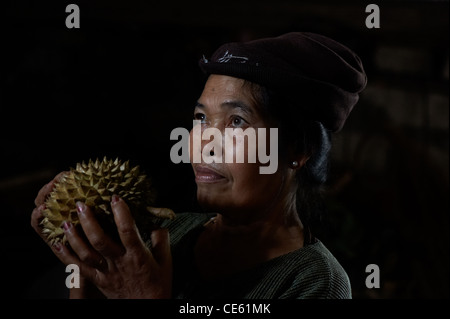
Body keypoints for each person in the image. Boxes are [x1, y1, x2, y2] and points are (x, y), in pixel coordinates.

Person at [31, 32, 367, 299]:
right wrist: (87, 265)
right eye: (201, 118)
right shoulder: (164, 234)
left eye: (236, 121)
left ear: (297, 150)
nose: (204, 142)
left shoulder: (318, 284)